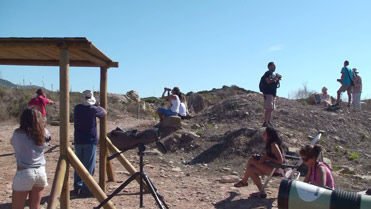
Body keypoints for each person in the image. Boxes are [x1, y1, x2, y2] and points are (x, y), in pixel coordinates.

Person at [11, 107, 50, 209]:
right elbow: (47, 140)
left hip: (24, 172)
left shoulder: (18, 134)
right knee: (35, 206)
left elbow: (14, 143)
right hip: (41, 172)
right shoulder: (44, 132)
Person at [234, 127, 284, 198]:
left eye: (265, 133)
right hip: (271, 167)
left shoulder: (273, 144)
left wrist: (266, 158)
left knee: (251, 160)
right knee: (250, 169)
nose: (263, 134)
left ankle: (244, 181)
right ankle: (262, 192)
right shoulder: (270, 144)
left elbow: (280, 160)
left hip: (276, 169)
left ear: (269, 135)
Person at [73, 90, 106, 196]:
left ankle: (77, 185)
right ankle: (86, 188)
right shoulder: (93, 109)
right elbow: (103, 113)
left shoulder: (77, 108)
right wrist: (97, 105)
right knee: (89, 165)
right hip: (90, 140)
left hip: (78, 140)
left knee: (79, 164)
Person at [260, 62, 282, 127]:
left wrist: (277, 79)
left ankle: (268, 121)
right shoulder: (267, 73)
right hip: (268, 92)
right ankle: (265, 122)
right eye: (273, 66)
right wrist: (276, 77)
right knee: (269, 108)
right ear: (269, 66)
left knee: (271, 108)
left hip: (272, 93)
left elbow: (276, 84)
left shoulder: (272, 75)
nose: (275, 67)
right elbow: (268, 81)